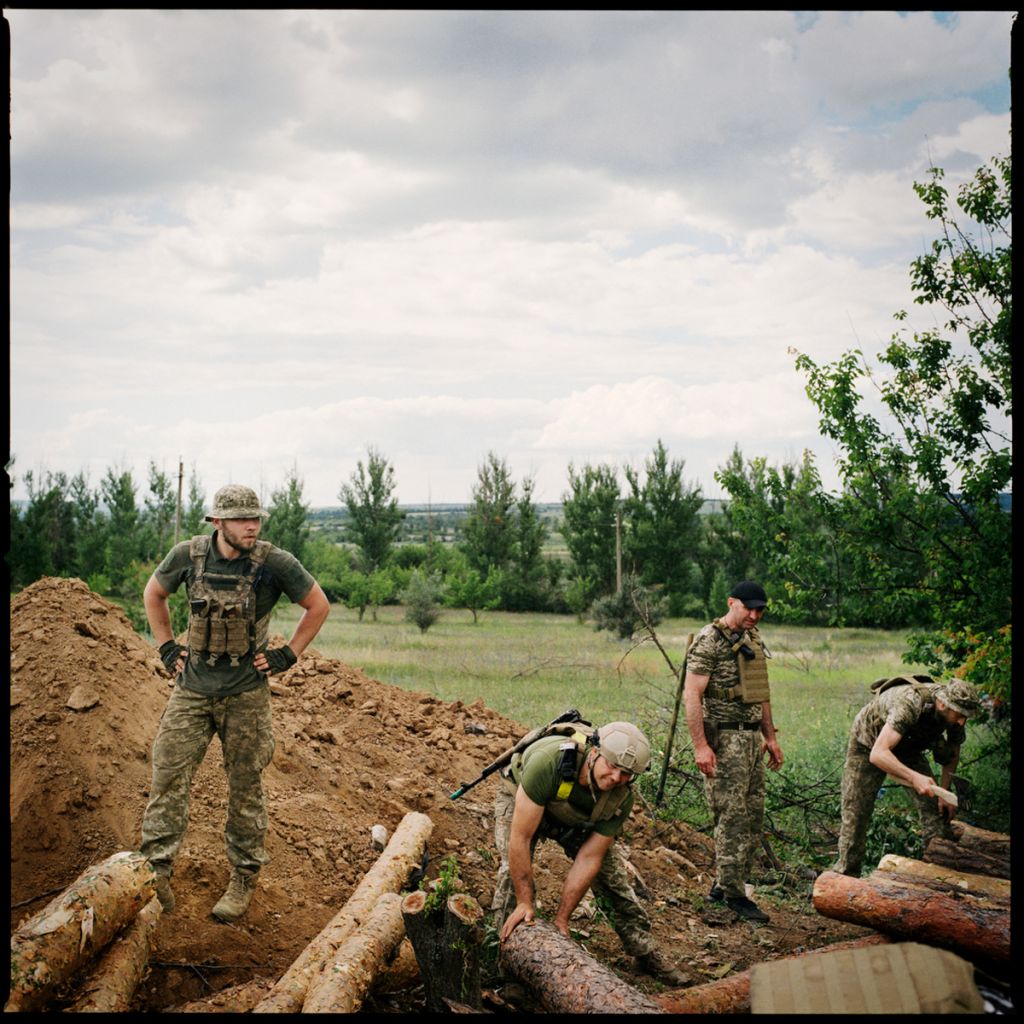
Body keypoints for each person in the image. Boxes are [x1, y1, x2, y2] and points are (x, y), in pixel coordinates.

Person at [139, 484, 330, 922]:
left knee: (245, 786)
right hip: (192, 689)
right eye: (243, 519)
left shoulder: (274, 562)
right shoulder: (188, 556)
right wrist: (167, 647)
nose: (252, 526)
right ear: (218, 523)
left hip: (245, 695)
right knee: (168, 776)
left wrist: (288, 654)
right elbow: (154, 593)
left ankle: (244, 876)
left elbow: (317, 605)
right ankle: (155, 875)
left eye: (256, 518)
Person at [491, 720, 688, 985]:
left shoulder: (621, 798)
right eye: (612, 766)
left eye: (627, 774)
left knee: (614, 882)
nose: (617, 778)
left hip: (575, 819)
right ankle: (507, 964)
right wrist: (525, 901)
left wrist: (562, 918)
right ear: (595, 752)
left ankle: (645, 952)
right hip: (523, 802)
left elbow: (590, 858)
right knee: (510, 878)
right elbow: (521, 838)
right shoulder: (548, 762)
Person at [683, 580, 782, 923]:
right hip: (724, 740)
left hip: (751, 739)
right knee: (731, 817)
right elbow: (692, 695)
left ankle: (725, 884)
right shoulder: (709, 641)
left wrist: (770, 737)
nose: (755, 615)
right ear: (731, 603)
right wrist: (701, 746)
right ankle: (735, 895)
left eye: (760, 610)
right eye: (749, 608)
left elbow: (760, 692)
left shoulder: (753, 639)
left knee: (752, 816)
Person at [832, 675, 980, 878]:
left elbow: (953, 751)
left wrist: (945, 792)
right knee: (856, 812)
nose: (962, 721)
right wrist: (914, 778)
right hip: (869, 744)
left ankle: (939, 877)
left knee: (935, 812)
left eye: (966, 716)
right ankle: (845, 877)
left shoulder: (957, 717)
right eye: (960, 714)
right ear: (942, 704)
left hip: (908, 747)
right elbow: (878, 753)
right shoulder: (911, 702)